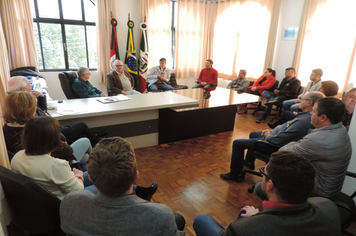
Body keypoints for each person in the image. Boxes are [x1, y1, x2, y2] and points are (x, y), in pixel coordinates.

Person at [10, 116, 158, 201]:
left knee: (102, 174)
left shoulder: (17, 157)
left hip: (50, 191)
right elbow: (78, 189)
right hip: (67, 200)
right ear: (52, 140)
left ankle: (139, 191)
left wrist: (75, 175)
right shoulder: (55, 165)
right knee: (113, 182)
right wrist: (79, 177)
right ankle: (137, 193)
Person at [60, 137, 186, 236]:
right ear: (136, 175)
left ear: (91, 178)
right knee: (178, 219)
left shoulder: (70, 202)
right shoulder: (161, 216)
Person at [195, 152, 340, 236]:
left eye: (264, 171)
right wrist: (255, 217)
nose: (262, 174)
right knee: (244, 214)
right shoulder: (329, 206)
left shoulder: (243, 229)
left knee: (201, 219)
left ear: (270, 185)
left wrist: (255, 220)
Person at [220, 91, 324, 180]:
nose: (300, 100)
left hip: (274, 145)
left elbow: (277, 140)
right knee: (253, 134)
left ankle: (236, 174)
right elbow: (285, 129)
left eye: (302, 98)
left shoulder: (302, 122)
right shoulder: (305, 116)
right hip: (275, 137)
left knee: (237, 143)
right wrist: (271, 132)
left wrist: (268, 135)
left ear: (309, 102)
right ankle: (249, 162)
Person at [278, 97, 351, 199]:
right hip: (330, 186)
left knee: (264, 184)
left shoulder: (319, 140)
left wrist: (294, 143)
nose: (310, 114)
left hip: (319, 191)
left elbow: (282, 151)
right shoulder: (340, 128)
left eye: (313, 111)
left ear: (323, 118)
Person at [4, 91, 91, 170]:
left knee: (85, 158)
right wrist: (64, 144)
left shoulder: (6, 128)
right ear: (30, 110)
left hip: (36, 167)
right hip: (56, 166)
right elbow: (65, 151)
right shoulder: (34, 130)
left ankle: (90, 169)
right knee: (85, 141)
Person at [8, 76, 99, 146]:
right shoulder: (24, 104)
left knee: (83, 136)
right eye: (30, 87)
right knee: (81, 126)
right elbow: (42, 121)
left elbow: (43, 112)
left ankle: (94, 144)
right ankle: (97, 144)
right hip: (50, 132)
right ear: (23, 90)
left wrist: (42, 98)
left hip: (50, 130)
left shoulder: (12, 102)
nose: (32, 89)